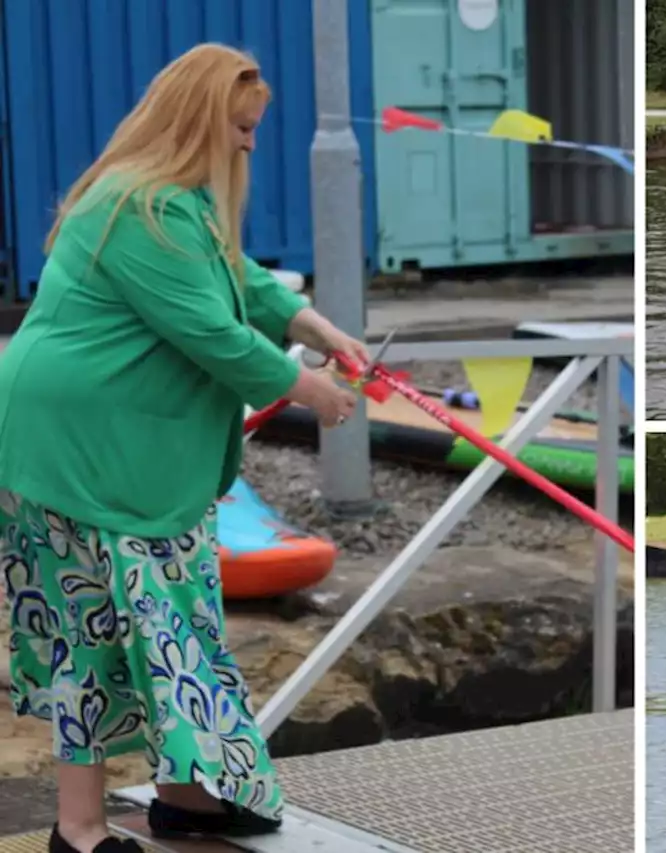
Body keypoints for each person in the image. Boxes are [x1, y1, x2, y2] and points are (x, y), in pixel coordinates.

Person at [0, 43, 367, 853]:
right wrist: (310, 389)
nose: (249, 144)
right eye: (240, 128)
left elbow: (237, 282)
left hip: (122, 448)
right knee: (93, 628)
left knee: (172, 615)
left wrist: (316, 328)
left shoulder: (179, 204)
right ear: (199, 120)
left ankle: (187, 794)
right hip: (74, 448)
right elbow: (208, 330)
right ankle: (82, 831)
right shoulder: (142, 209)